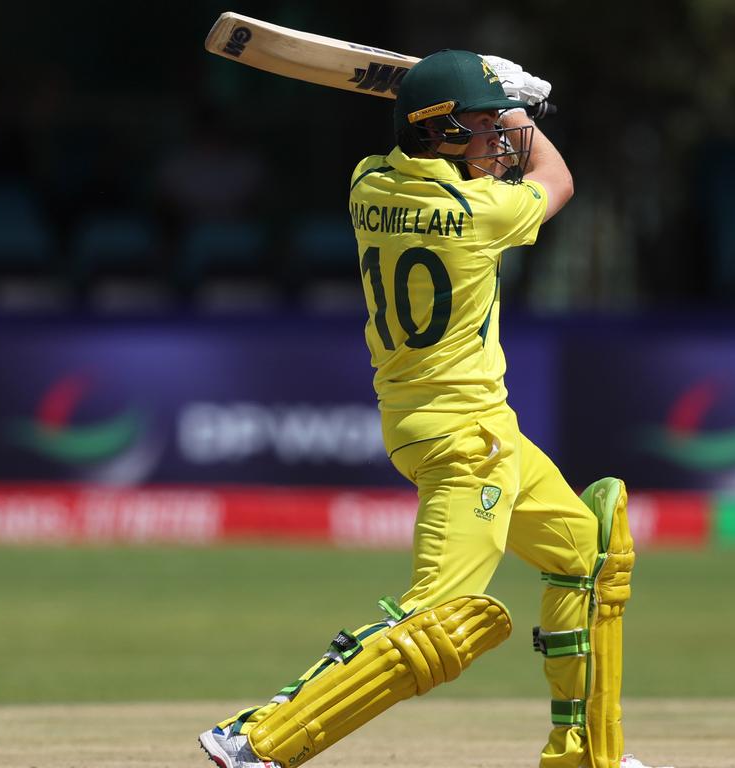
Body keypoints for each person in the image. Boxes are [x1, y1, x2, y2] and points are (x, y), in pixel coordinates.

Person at [199, 49, 672, 768]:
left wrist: (476, 96)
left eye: (498, 126)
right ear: (440, 133)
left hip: (449, 425)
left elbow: (403, 149)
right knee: (436, 618)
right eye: (484, 127)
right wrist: (519, 104)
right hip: (466, 440)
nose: (502, 140)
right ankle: (257, 738)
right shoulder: (475, 211)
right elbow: (558, 178)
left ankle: (582, 752)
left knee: (587, 550)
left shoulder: (366, 183)